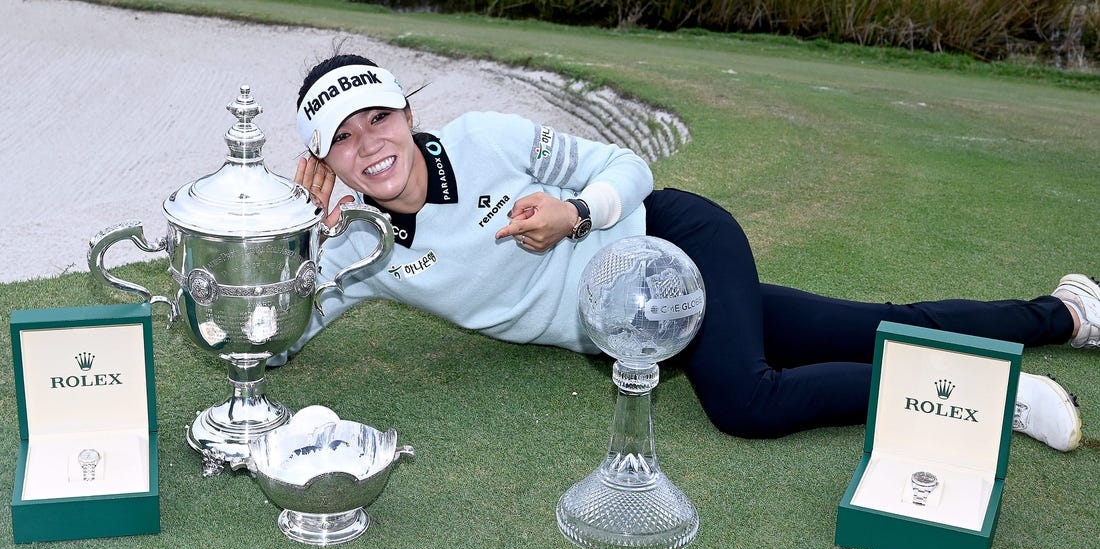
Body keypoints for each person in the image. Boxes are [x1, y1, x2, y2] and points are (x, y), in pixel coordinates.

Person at [276, 52, 1092, 452]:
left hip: (674, 241)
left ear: (405, 111)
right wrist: (294, 226)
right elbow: (276, 338)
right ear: (326, 160)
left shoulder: (484, 140)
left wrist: (573, 212)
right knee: (868, 326)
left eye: (377, 119)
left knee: (747, 401)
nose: (368, 147)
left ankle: (989, 401)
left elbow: (631, 169)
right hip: (632, 326)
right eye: (341, 141)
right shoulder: (357, 247)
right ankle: (1065, 313)